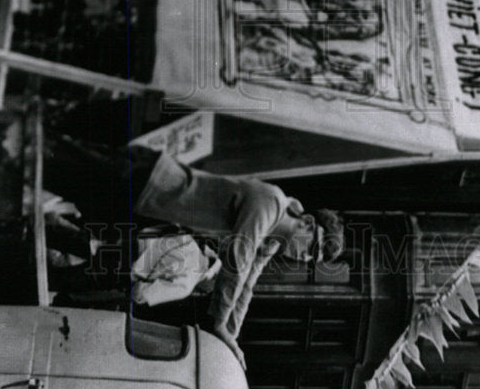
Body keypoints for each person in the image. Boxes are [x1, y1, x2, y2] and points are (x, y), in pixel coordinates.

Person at [130, 155, 345, 368]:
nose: (304, 257)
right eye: (311, 248)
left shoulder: (272, 240)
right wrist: (220, 323)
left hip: (152, 205)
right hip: (151, 181)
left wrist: (229, 337)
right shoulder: (272, 203)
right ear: (307, 223)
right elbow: (238, 259)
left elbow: (247, 285)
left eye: (310, 259)